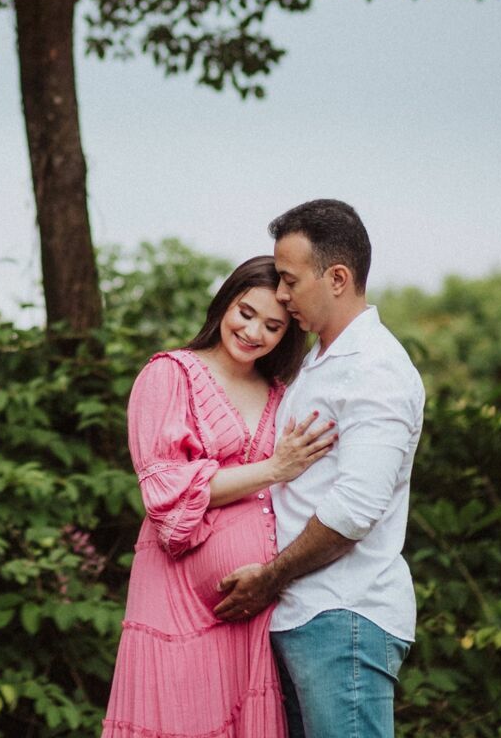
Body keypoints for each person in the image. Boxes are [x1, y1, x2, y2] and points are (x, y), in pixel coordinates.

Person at [213, 200, 426, 738]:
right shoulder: (321, 360)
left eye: (289, 280)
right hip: (304, 616)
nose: (280, 295)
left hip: (343, 617)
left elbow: (354, 511)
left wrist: (269, 579)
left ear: (337, 278)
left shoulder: (375, 370)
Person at [102, 255, 340, 738]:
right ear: (223, 305)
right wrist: (274, 467)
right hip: (175, 599)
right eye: (245, 312)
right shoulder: (171, 374)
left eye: (273, 326)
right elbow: (165, 491)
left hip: (250, 605)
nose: (254, 332)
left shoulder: (278, 393)